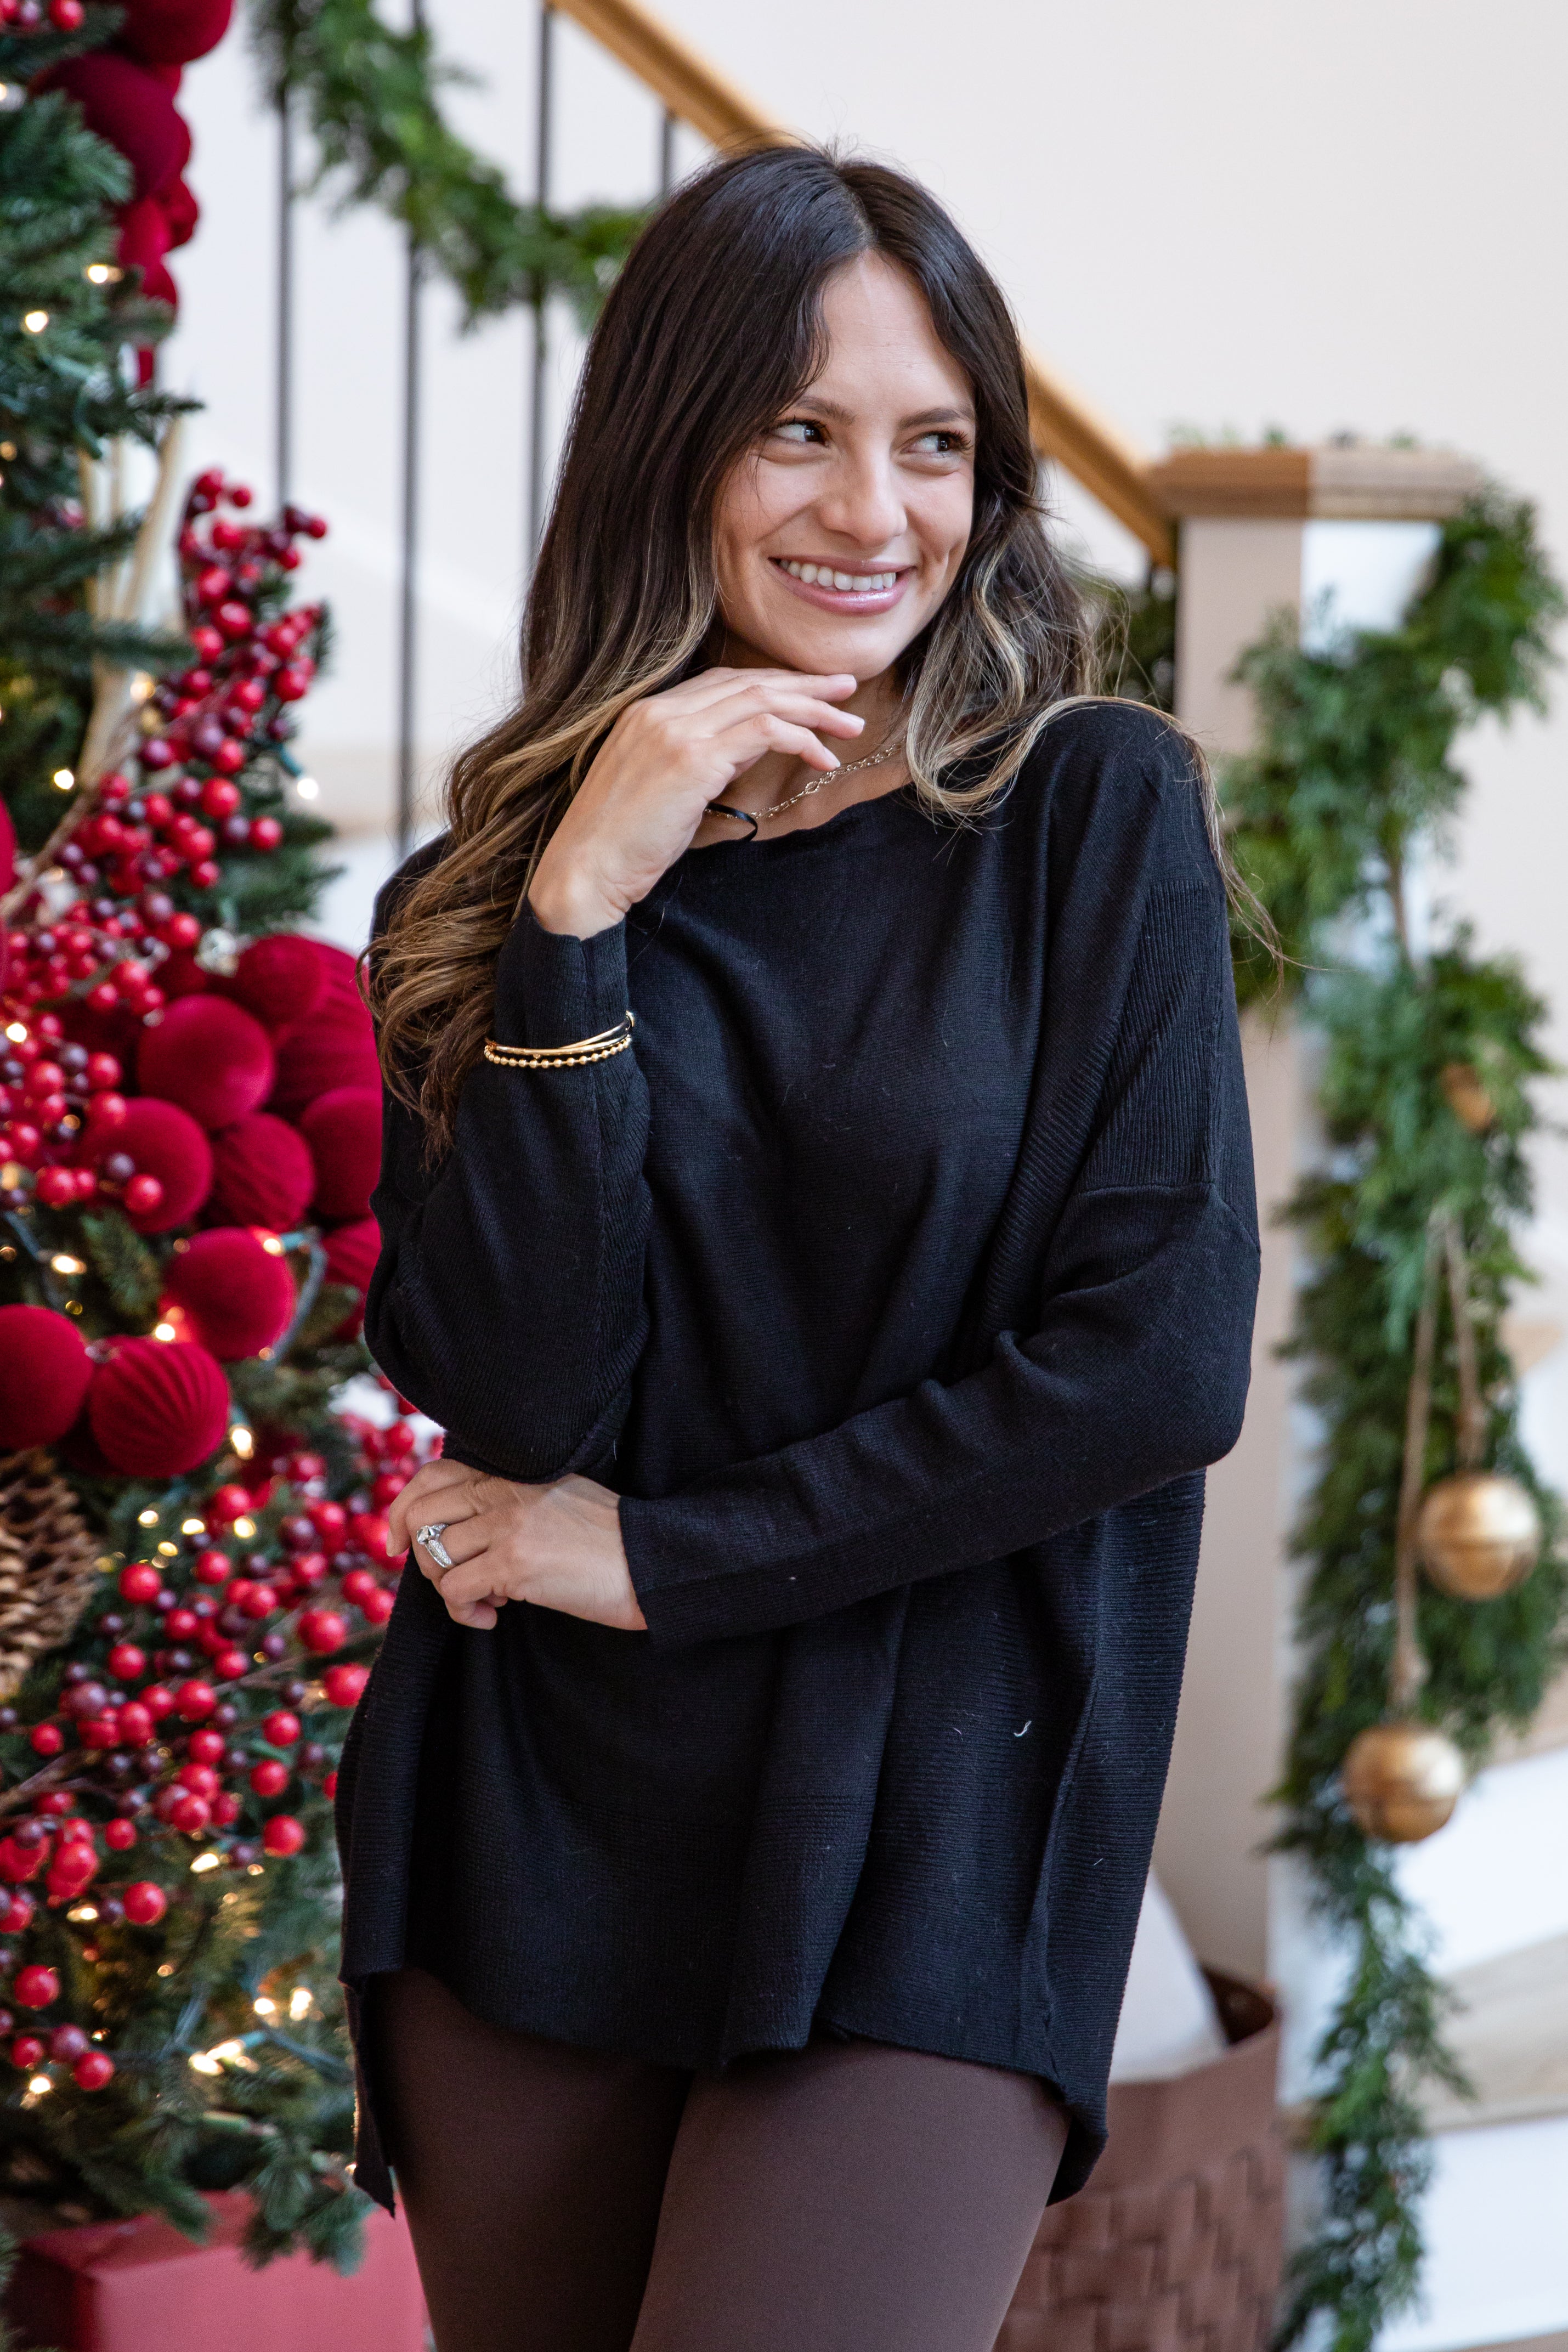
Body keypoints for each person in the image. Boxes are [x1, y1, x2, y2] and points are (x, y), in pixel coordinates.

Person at [338, 144, 1260, 2352]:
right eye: (799, 430)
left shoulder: (1084, 814)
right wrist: (579, 916)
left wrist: (667, 1554)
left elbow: (1153, 1365)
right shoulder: (492, 896)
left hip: (938, 1806)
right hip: (537, 1829)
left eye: (932, 444)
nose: (874, 513)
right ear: (674, 450)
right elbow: (530, 1387)